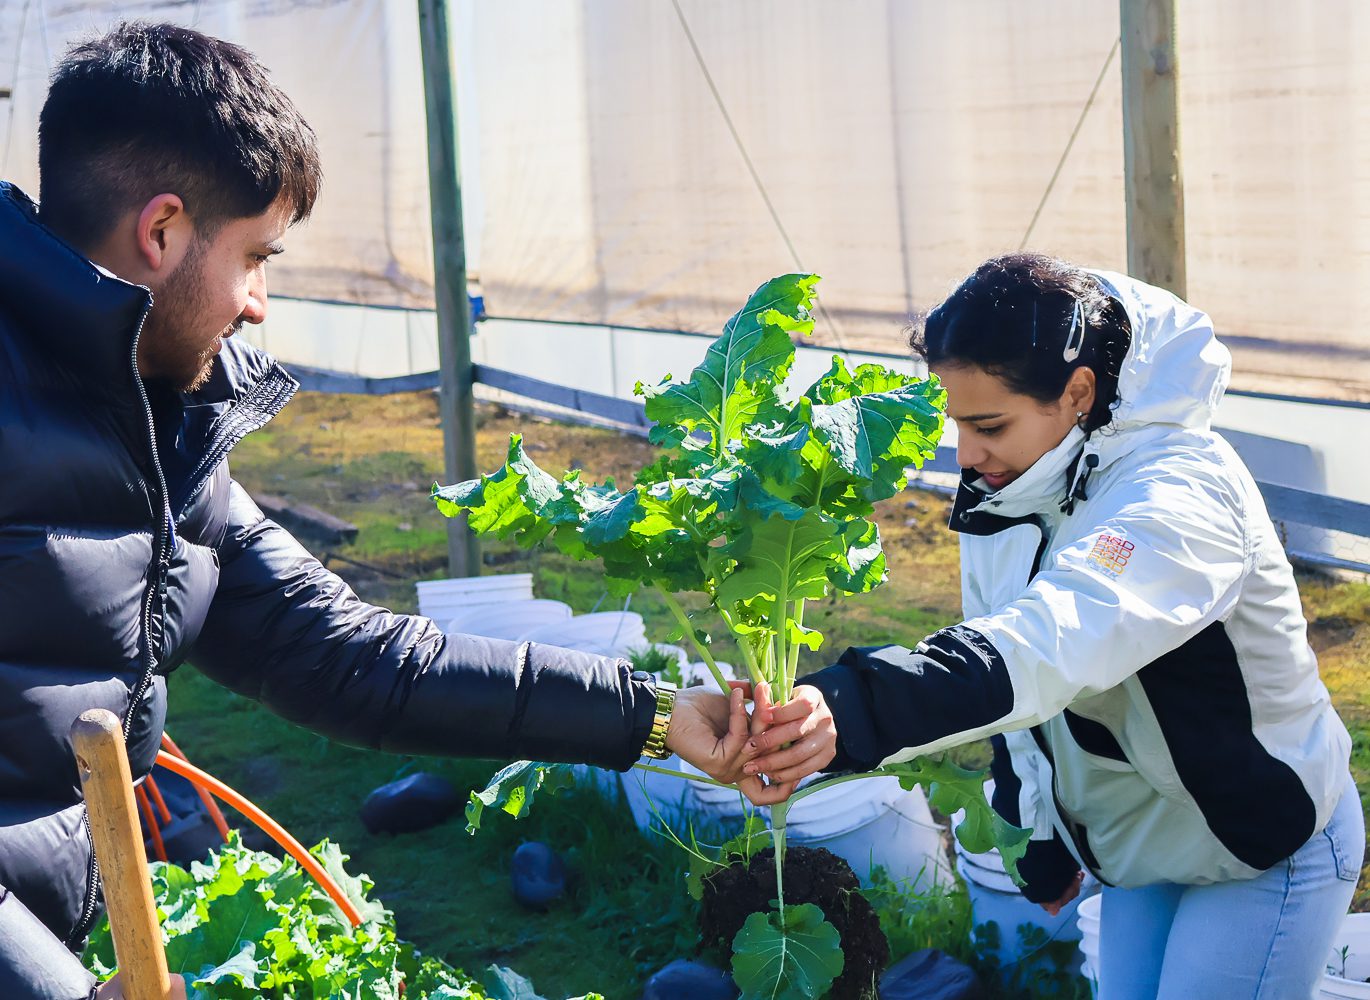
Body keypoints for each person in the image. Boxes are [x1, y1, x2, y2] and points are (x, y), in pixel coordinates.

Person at [0, 22, 770, 1000]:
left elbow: (346, 653)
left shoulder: (160, 437)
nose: (257, 304)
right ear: (160, 231)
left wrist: (651, 716)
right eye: (255, 257)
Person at [747, 253, 1362, 997]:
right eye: (958, 424)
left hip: (1263, 840)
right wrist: (1038, 837)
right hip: (1145, 842)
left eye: (988, 425)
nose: (966, 454)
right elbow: (1006, 681)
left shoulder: (1179, 492)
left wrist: (853, 705)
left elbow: (1049, 641)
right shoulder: (1011, 488)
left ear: (1078, 392)